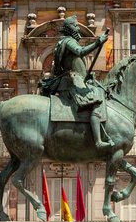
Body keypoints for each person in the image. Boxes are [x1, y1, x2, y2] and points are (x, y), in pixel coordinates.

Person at [39, 15, 112, 151]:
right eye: (76, 26)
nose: (78, 28)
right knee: (96, 103)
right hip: (71, 82)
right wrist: (98, 42)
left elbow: (75, 64)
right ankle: (98, 141)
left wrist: (87, 74)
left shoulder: (64, 42)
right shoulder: (69, 41)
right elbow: (81, 52)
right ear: (71, 28)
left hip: (72, 80)